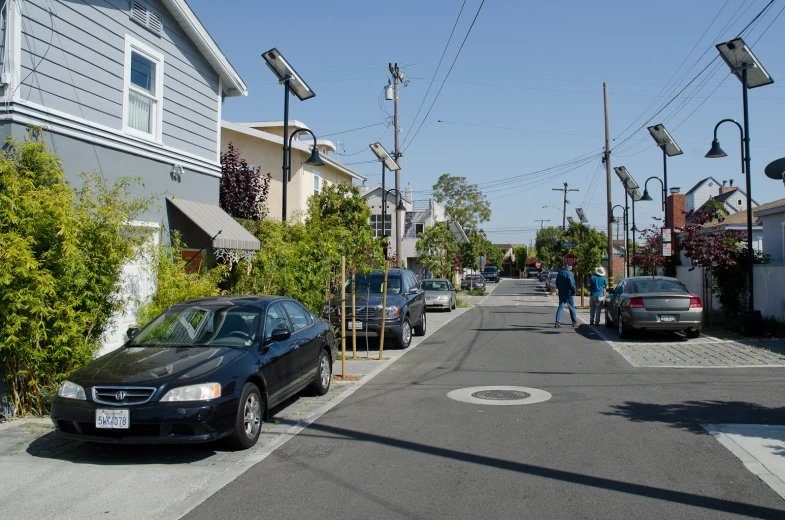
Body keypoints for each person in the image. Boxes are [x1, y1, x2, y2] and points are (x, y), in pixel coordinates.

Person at [555, 263, 578, 328]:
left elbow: (557, 282)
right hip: (569, 293)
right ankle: (574, 322)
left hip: (561, 292)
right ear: (570, 267)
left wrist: (559, 289)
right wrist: (574, 291)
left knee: (561, 307)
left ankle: (557, 322)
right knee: (571, 307)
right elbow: (572, 284)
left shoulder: (560, 273)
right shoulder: (570, 274)